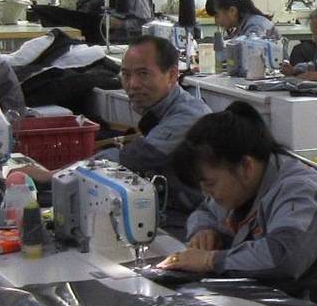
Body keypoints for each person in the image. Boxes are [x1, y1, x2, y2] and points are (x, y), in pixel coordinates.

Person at [160, 104, 317, 306]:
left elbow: (282, 256)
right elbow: (206, 211)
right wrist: (204, 230)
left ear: (246, 166)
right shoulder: (242, 186)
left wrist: (209, 260)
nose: (207, 193)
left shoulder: (300, 190)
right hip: (285, 299)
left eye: (210, 184)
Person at [24, 38, 209, 231]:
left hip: (195, 224)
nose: (132, 84)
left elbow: (129, 159)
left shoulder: (189, 116)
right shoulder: (160, 111)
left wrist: (50, 175)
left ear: (172, 75)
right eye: (126, 75)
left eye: (143, 74)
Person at [205, 0, 279, 48]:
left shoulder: (255, 25)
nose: (216, 21)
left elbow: (250, 48)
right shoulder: (242, 26)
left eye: (217, 16)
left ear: (232, 11)